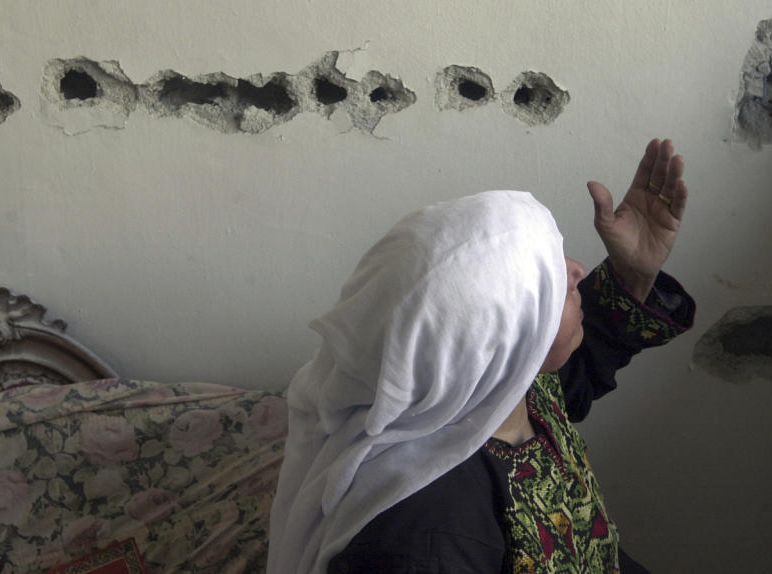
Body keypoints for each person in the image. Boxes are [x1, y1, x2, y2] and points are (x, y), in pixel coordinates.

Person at [268, 139, 695, 573]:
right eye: (547, 285)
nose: (577, 270)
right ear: (498, 345)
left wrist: (632, 274)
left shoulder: (504, 391)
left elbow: (579, 367)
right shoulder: (428, 539)